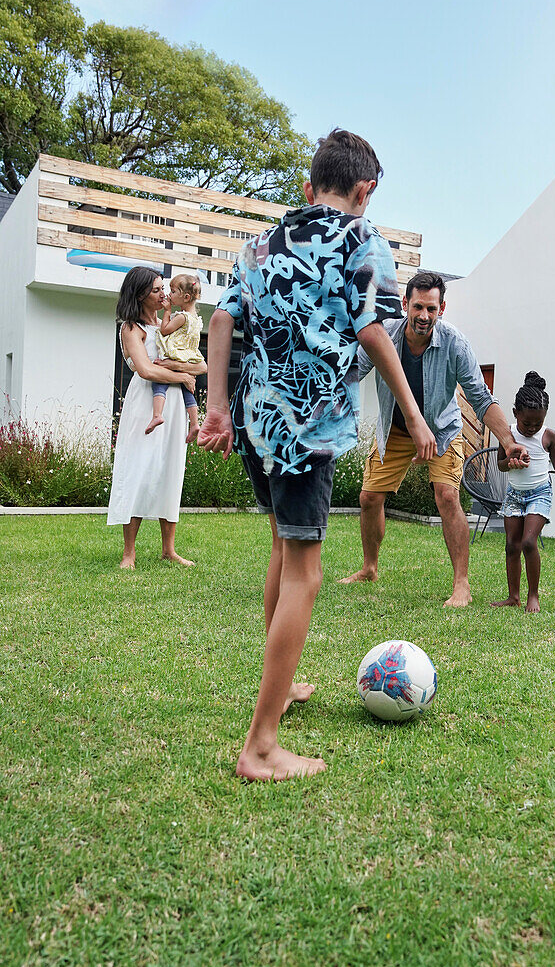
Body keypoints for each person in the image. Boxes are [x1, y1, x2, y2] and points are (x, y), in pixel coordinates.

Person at [198, 128, 436, 782]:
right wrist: (413, 417)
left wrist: (216, 408)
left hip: (254, 417)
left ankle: (284, 681)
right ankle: (261, 747)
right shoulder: (364, 240)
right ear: (366, 190)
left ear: (308, 188)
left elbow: (221, 323)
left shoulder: (257, 244)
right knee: (306, 568)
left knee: (283, 546)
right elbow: (373, 333)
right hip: (307, 423)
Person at [339, 270, 529, 607]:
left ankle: (462, 585)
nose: (424, 316)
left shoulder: (455, 343)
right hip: (395, 429)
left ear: (442, 309)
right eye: (418, 307)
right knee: (369, 498)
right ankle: (369, 568)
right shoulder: (386, 337)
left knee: (446, 496)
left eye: (431, 308)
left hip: (441, 430)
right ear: (404, 304)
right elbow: (350, 373)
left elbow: (482, 399)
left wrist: (509, 441)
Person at [107, 266, 207, 569]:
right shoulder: (131, 328)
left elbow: (201, 367)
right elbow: (146, 370)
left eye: (164, 288)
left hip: (173, 406)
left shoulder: (176, 323)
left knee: (170, 469)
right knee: (139, 468)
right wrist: (181, 377)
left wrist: (183, 375)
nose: (164, 294)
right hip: (146, 405)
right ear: (139, 295)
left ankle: (169, 549)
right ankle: (129, 552)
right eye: (156, 290)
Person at [491, 371, 555, 613]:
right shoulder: (507, 434)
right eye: (526, 423)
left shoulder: (549, 436)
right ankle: (513, 596)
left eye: (537, 423)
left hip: (540, 493)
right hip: (514, 495)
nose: (531, 428)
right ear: (515, 413)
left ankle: (533, 595)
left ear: (545, 418)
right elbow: (499, 464)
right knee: (511, 544)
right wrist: (510, 462)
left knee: (529, 541)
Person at [146, 273, 204, 444]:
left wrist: (167, 312)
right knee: (188, 390)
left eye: (172, 291)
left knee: (160, 381)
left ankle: (157, 415)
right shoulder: (196, 319)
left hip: (175, 354)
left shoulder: (181, 317)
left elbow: (164, 330)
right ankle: (194, 423)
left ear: (185, 297)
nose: (168, 295)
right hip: (188, 357)